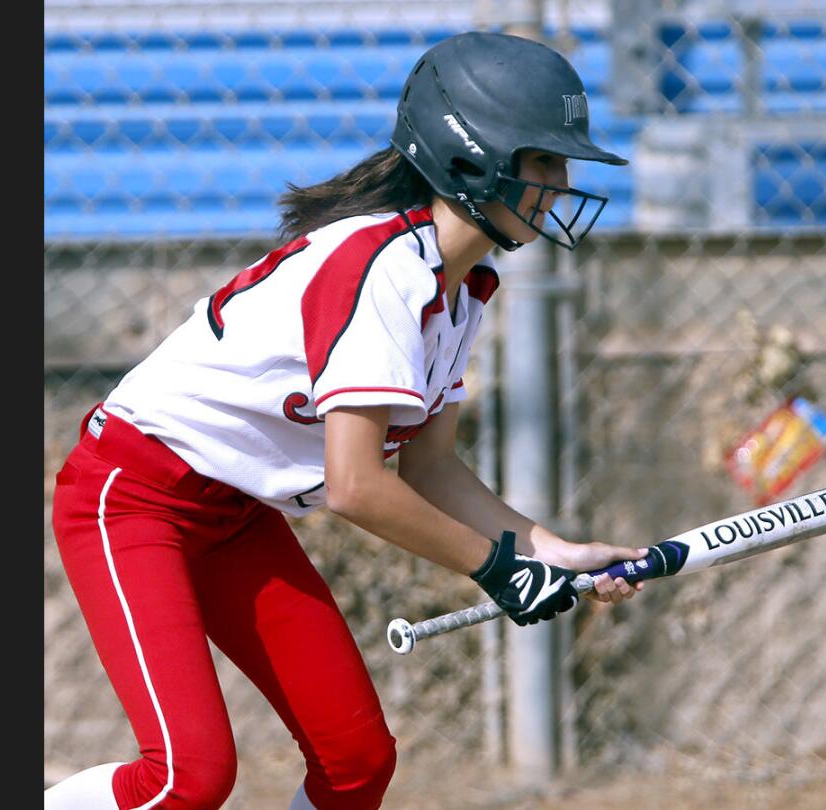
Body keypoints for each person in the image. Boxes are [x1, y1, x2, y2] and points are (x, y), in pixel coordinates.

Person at [45, 31, 644, 810]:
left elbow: (430, 471)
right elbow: (358, 487)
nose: (561, 185)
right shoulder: (383, 269)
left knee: (356, 760)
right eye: (544, 162)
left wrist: (550, 550)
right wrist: (498, 572)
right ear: (471, 157)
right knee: (185, 779)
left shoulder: (465, 283)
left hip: (231, 513)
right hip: (132, 494)